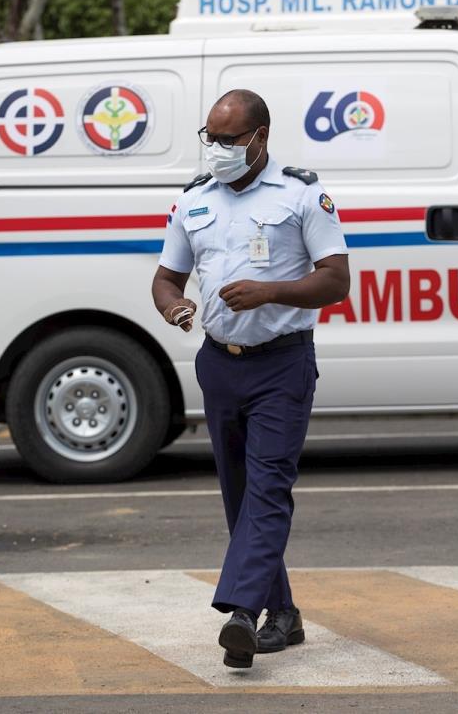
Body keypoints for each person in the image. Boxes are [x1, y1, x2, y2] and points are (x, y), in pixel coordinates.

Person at [151, 89, 350, 668]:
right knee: (239, 496)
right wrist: (175, 308)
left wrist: (272, 291)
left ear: (260, 137)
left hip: (281, 362)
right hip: (218, 362)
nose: (215, 149)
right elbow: (167, 278)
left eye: (228, 140)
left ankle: (242, 612)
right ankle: (283, 614)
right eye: (208, 138)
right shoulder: (193, 201)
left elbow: (336, 281)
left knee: (267, 487)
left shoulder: (301, 193)